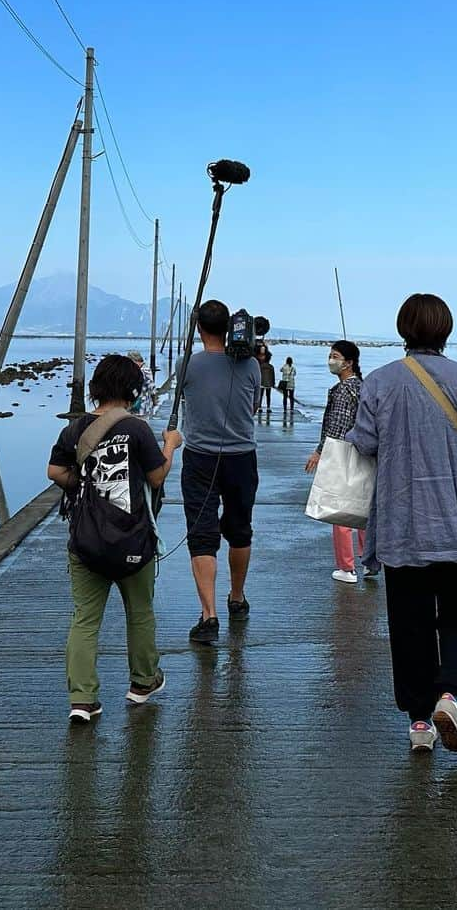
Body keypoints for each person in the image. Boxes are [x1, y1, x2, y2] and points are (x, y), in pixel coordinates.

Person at [346, 294, 457, 756]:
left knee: (410, 624)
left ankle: (420, 723)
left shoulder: (378, 383)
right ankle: (450, 694)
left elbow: (363, 443)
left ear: (403, 329)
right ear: (446, 330)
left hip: (402, 526)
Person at [47, 353, 182, 724]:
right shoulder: (137, 429)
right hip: (133, 541)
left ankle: (82, 699)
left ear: (96, 388)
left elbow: (55, 470)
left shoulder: (74, 429)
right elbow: (156, 478)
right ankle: (142, 683)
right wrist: (171, 444)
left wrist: (87, 486)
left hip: (86, 541)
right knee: (139, 614)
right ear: (132, 389)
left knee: (85, 620)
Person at [178, 299, 262, 646]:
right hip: (242, 456)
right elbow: (254, 404)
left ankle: (209, 614)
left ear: (199, 329)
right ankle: (237, 598)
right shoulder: (251, 365)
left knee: (202, 534)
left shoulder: (188, 365)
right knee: (240, 529)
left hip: (200, 457)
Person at [305, 340, 367, 584]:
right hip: (363, 452)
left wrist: (320, 451)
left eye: (335, 356)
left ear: (348, 363)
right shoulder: (362, 387)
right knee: (363, 508)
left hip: (342, 453)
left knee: (340, 510)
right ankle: (370, 562)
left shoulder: (342, 390)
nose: (331, 360)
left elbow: (337, 426)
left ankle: (347, 567)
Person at [256, 345, 276, 415]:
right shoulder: (269, 367)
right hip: (266, 383)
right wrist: (273, 383)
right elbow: (272, 376)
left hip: (264, 382)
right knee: (265, 395)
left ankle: (262, 407)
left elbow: (272, 375)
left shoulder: (262, 367)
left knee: (263, 395)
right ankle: (265, 407)